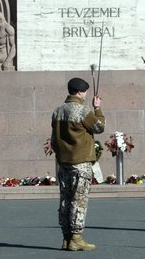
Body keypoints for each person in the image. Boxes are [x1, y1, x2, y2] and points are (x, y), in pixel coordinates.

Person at [51, 77, 105, 251]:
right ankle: (76, 237)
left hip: (63, 162)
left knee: (65, 200)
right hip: (80, 162)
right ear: (81, 92)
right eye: (85, 92)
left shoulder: (58, 110)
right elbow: (99, 127)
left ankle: (66, 238)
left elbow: (54, 139)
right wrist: (98, 109)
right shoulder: (82, 110)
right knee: (79, 199)